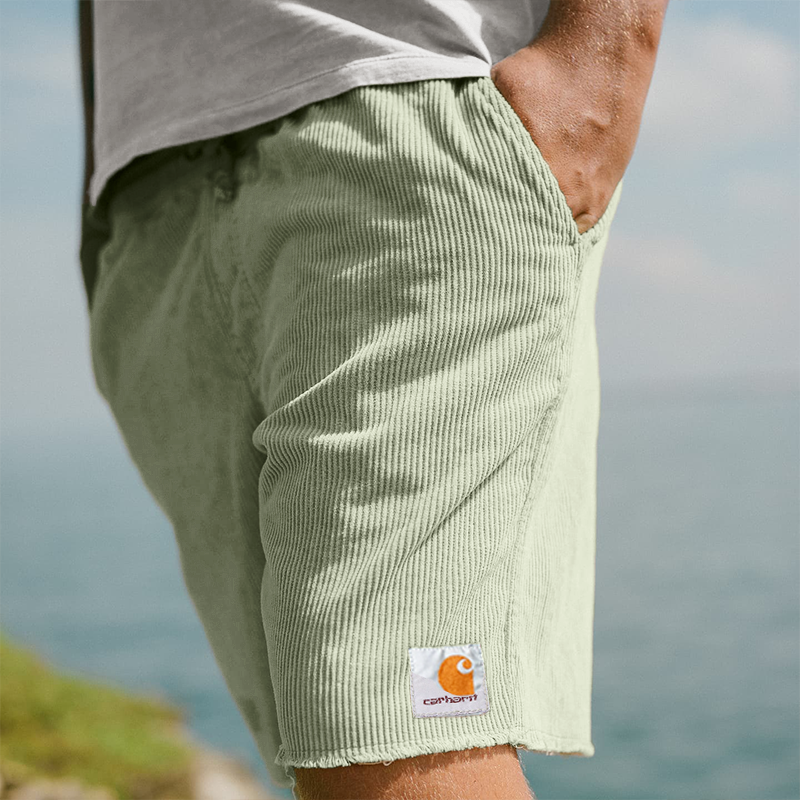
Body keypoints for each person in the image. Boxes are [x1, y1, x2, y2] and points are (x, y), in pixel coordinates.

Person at [78, 1, 669, 798]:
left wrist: (602, 60)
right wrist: (100, 199)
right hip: (149, 190)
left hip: (405, 112)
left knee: (391, 733)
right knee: (317, 743)